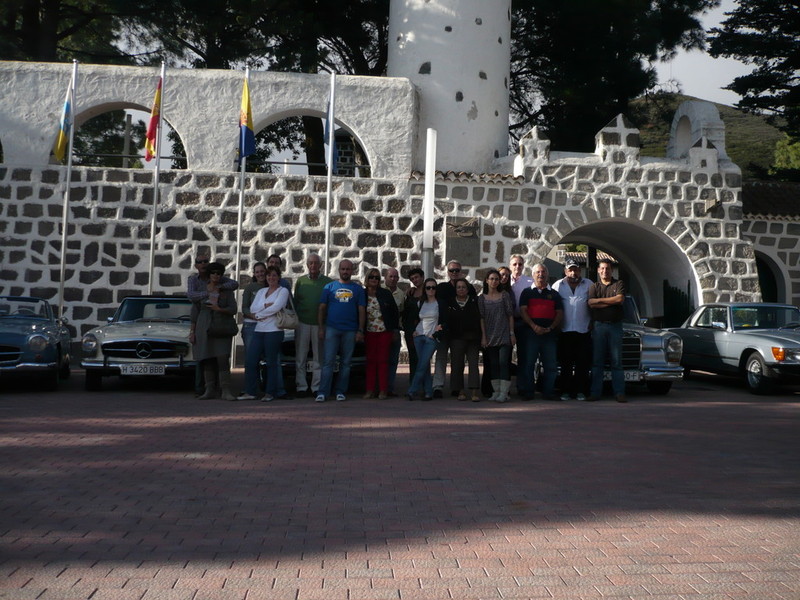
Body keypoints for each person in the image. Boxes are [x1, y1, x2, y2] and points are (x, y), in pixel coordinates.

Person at [187, 252, 239, 396]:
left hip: (222, 326)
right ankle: (209, 390)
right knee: (207, 358)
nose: (215, 275)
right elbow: (195, 312)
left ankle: (225, 390)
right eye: (213, 273)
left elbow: (233, 309)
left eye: (218, 273)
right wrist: (192, 332)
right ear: (209, 275)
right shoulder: (200, 291)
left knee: (222, 358)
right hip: (204, 326)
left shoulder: (226, 291)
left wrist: (219, 309)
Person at [316, 259, 366, 402]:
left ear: (352, 271)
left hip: (350, 330)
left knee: (346, 363)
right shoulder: (329, 287)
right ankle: (323, 392)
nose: (345, 271)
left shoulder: (358, 289)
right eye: (343, 269)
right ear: (339, 270)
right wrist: (321, 327)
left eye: (348, 269)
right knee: (328, 362)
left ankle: (340, 391)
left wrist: (360, 330)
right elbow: (322, 308)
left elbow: (361, 310)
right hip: (332, 329)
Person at [239, 265, 289, 402]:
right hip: (259, 329)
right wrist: (265, 306)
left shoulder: (283, 291)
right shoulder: (261, 291)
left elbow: (277, 307)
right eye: (269, 275)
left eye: (274, 275)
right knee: (251, 361)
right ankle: (251, 391)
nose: (271, 278)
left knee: (271, 362)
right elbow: (253, 308)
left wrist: (259, 314)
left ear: (278, 277)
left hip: (274, 331)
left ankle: (270, 392)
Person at [518, 263, 563, 400]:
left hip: (549, 335)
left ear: (547, 274)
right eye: (538, 272)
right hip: (531, 334)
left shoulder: (554, 294)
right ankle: (529, 392)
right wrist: (534, 326)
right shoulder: (526, 292)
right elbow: (523, 311)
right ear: (533, 275)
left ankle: (548, 392)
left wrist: (550, 328)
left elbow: (559, 313)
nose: (540, 274)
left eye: (543, 272)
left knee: (550, 366)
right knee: (529, 364)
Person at [433, 260, 476, 397]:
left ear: (461, 271)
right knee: (441, 357)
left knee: (457, 361)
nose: (454, 273)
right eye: (452, 270)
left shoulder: (469, 288)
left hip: (459, 332)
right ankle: (438, 386)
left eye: (457, 270)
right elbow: (429, 296)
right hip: (444, 329)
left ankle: (456, 388)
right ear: (447, 272)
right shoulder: (442, 288)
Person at [552, 260, 593, 401]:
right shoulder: (558, 285)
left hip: (583, 330)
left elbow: (593, 304)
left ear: (580, 271)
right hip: (565, 330)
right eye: (570, 270)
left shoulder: (589, 284)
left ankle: (581, 391)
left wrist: (593, 321)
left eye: (576, 270)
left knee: (583, 364)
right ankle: (565, 391)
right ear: (565, 271)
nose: (573, 273)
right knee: (566, 364)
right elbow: (553, 306)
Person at [588, 258, 627, 403]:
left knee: (616, 361)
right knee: (597, 361)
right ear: (599, 270)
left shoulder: (619, 284)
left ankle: (619, 393)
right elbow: (591, 303)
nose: (605, 271)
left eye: (608, 268)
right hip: (599, 327)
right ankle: (595, 393)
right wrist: (611, 301)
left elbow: (620, 300)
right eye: (602, 268)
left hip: (615, 326)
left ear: (612, 270)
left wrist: (599, 301)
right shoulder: (594, 286)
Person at [293, 253, 332, 397]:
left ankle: (316, 387)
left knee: (318, 357)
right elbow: (296, 301)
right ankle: (301, 387)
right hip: (302, 323)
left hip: (319, 325)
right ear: (307, 265)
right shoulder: (301, 281)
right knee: (300, 357)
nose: (313, 265)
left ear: (321, 265)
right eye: (311, 263)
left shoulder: (327, 282)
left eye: (316, 263)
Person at [479, 269, 516, 402]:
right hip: (490, 336)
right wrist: (484, 337)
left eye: (496, 279)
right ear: (487, 280)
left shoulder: (504, 295)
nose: (494, 281)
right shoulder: (482, 298)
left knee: (503, 363)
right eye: (492, 279)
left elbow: (510, 315)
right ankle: (496, 391)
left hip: (504, 334)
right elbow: (481, 318)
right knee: (493, 364)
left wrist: (512, 333)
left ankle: (504, 392)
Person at [363, 268, 400, 399]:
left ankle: (383, 389)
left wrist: (394, 330)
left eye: (377, 277)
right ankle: (370, 390)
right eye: (371, 277)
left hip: (384, 332)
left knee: (383, 361)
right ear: (367, 278)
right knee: (371, 361)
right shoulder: (362, 294)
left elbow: (394, 313)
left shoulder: (385, 293)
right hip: (369, 332)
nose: (374, 279)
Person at [407, 278, 446, 401]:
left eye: (433, 287)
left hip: (431, 338)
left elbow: (445, 320)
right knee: (424, 366)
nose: (431, 290)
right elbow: (414, 318)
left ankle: (412, 390)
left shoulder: (440, 303)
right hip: (419, 336)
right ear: (425, 289)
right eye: (428, 287)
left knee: (422, 364)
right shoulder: (421, 302)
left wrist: (437, 333)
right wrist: (414, 331)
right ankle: (428, 392)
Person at [447, 278, 483, 402]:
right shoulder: (451, 302)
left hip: (473, 338)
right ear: (455, 289)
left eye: (463, 287)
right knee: (457, 365)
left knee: (473, 364)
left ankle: (474, 392)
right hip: (456, 338)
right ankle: (460, 391)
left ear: (467, 289)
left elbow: (480, 318)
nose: (461, 289)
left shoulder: (475, 301)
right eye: (458, 287)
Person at [264, 253, 292, 399]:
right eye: (271, 262)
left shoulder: (284, 284)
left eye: (277, 263)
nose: (273, 264)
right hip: (259, 325)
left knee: (275, 360)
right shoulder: (260, 280)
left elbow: (286, 303)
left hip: (275, 325)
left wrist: (272, 305)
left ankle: (279, 390)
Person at [509, 254, 534, 397]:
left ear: (523, 266)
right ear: (510, 265)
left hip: (524, 322)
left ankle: (522, 387)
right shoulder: (504, 281)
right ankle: (505, 387)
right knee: (506, 357)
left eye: (520, 264)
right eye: (514, 264)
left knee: (524, 356)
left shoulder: (530, 282)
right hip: (507, 323)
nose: (517, 266)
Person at [383, 267, 405, 396]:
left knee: (393, 361)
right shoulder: (379, 290)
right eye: (390, 276)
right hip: (380, 330)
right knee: (381, 360)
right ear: (385, 277)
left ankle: (390, 388)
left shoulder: (401, 294)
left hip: (395, 331)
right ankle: (380, 387)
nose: (393, 279)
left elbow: (402, 313)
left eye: (395, 277)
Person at [402, 268, 425, 383]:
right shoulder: (411, 293)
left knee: (423, 358)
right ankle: (413, 384)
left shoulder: (429, 291)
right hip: (411, 329)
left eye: (416, 277)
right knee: (413, 356)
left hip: (425, 329)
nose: (415, 280)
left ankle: (424, 384)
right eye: (412, 279)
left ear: (422, 277)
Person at [240, 262, 267, 355]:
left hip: (267, 325)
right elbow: (244, 308)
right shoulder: (250, 287)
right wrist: (254, 316)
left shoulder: (271, 286)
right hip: (251, 325)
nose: (260, 274)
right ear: (254, 274)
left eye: (262, 271)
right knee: (251, 356)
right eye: (257, 272)